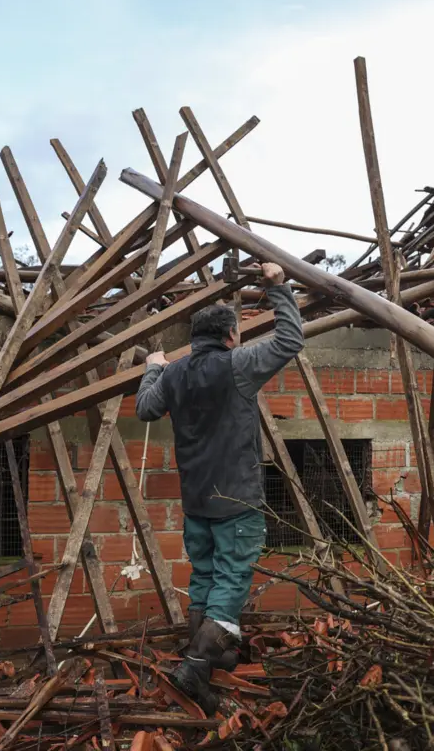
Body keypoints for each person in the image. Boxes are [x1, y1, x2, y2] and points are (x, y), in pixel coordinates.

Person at [135, 261, 303, 712]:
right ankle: (194, 666)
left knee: (206, 576)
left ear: (194, 340)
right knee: (231, 580)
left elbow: (146, 410)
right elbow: (291, 340)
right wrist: (279, 287)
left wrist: (153, 367)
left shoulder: (173, 374)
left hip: (196, 500)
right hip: (236, 499)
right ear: (230, 334)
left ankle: (207, 663)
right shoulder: (239, 364)